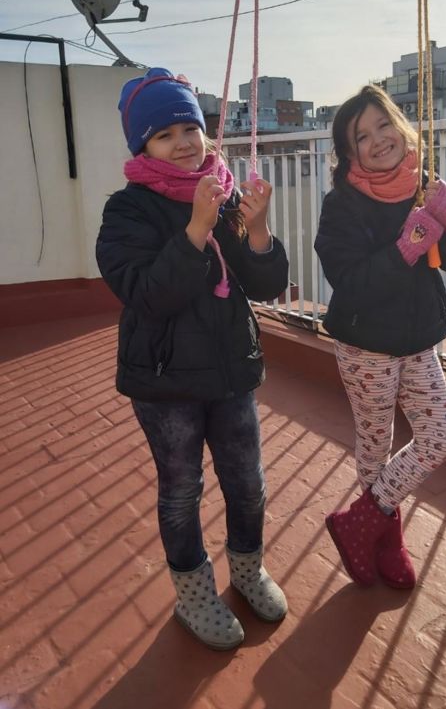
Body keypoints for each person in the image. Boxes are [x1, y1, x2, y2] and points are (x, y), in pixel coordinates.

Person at [96, 68, 289, 650]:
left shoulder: (220, 191)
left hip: (230, 371)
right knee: (181, 490)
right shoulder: (127, 211)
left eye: (189, 128)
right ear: (143, 146)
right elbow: (147, 295)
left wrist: (258, 231)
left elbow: (265, 285)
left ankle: (248, 569)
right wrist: (196, 230)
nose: (183, 142)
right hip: (165, 382)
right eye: (164, 135)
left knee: (248, 483)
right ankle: (194, 595)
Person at [314, 84, 446, 590]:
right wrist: (405, 247)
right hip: (366, 344)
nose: (378, 139)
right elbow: (350, 283)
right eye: (362, 137)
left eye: (383, 124)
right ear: (349, 154)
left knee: (440, 438)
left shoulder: (420, 185)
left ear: (400, 125)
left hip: (417, 338)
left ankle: (360, 522)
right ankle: (387, 541)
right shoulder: (341, 206)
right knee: (376, 446)